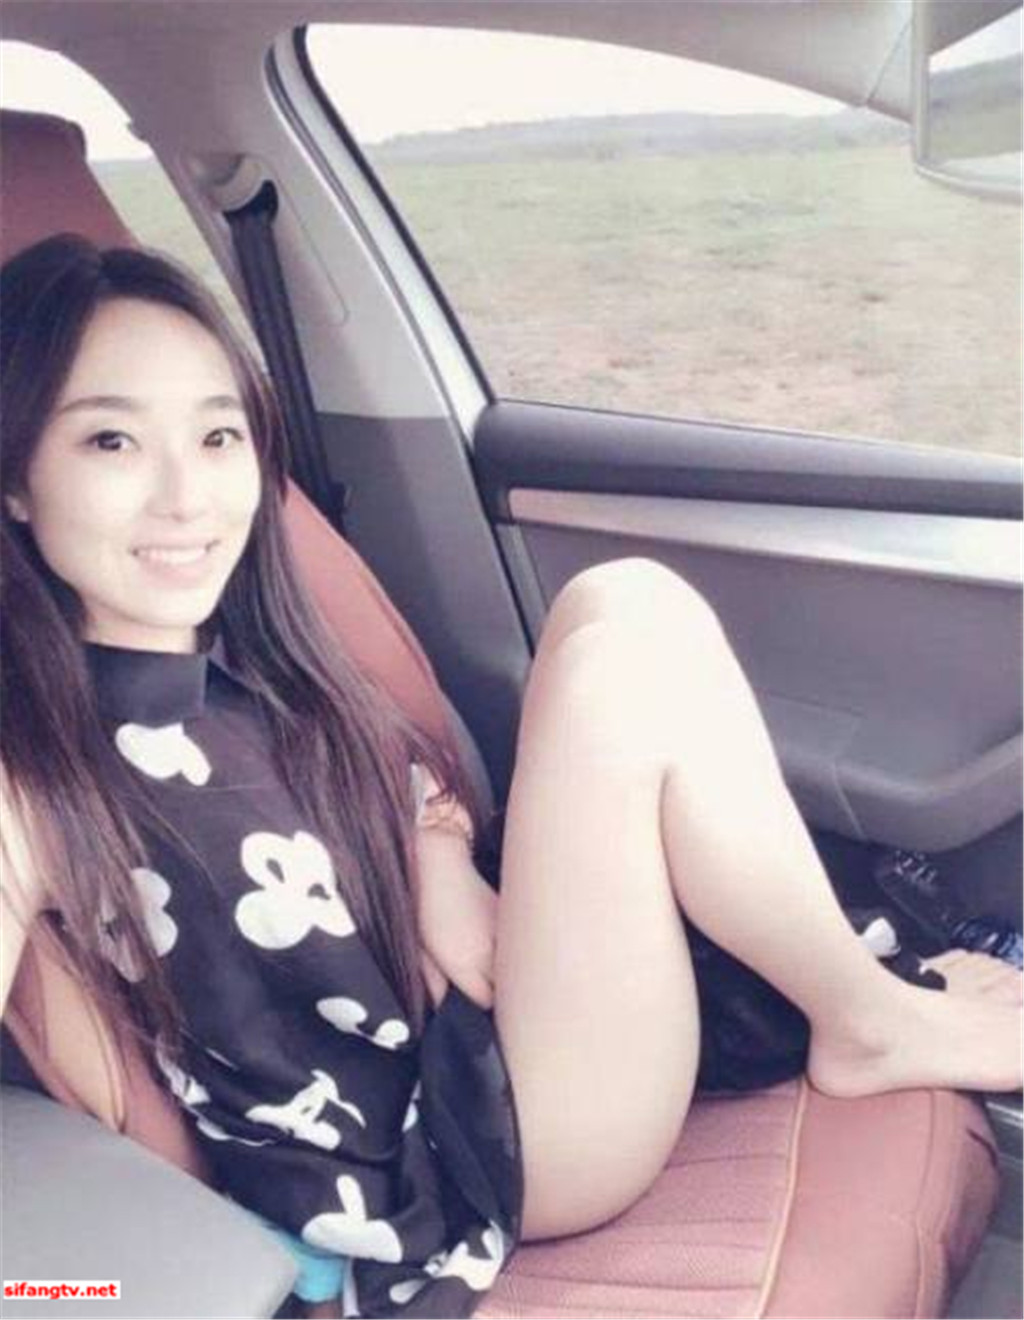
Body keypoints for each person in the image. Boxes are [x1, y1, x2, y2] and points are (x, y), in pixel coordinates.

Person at [1, 235, 1020, 1320]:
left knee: (620, 605)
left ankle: (860, 1008)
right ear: (16, 480)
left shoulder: (249, 658)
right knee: (626, 649)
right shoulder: (30, 771)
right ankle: (866, 1019)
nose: (186, 498)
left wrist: (437, 866)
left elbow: (397, 773)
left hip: (491, 1028)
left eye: (218, 436)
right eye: (111, 440)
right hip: (477, 1152)